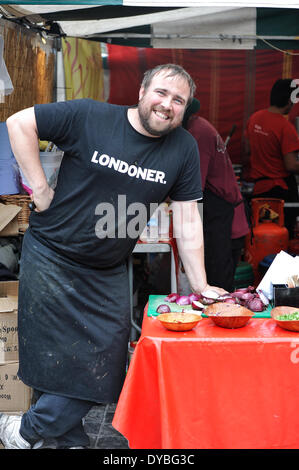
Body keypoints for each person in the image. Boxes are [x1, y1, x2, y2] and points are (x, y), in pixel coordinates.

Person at [1, 63, 226, 450]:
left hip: (107, 270)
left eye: (178, 101)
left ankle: (26, 432)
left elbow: (188, 218)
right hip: (52, 256)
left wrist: (201, 283)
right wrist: (39, 189)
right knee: (52, 360)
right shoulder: (91, 115)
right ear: (142, 91)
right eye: (161, 93)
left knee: (104, 368)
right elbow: (20, 122)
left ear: (186, 109)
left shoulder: (183, 148)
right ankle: (66, 440)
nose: (167, 105)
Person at [183, 100, 249, 292]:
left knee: (217, 289)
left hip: (223, 223)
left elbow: (194, 187)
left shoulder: (198, 133)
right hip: (215, 219)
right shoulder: (197, 127)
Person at [243, 78, 299, 238]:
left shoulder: (254, 118)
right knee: (281, 237)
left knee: (261, 235)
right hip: (279, 192)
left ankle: (261, 263)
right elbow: (291, 166)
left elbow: (247, 152)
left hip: (259, 191)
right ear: (289, 100)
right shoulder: (285, 127)